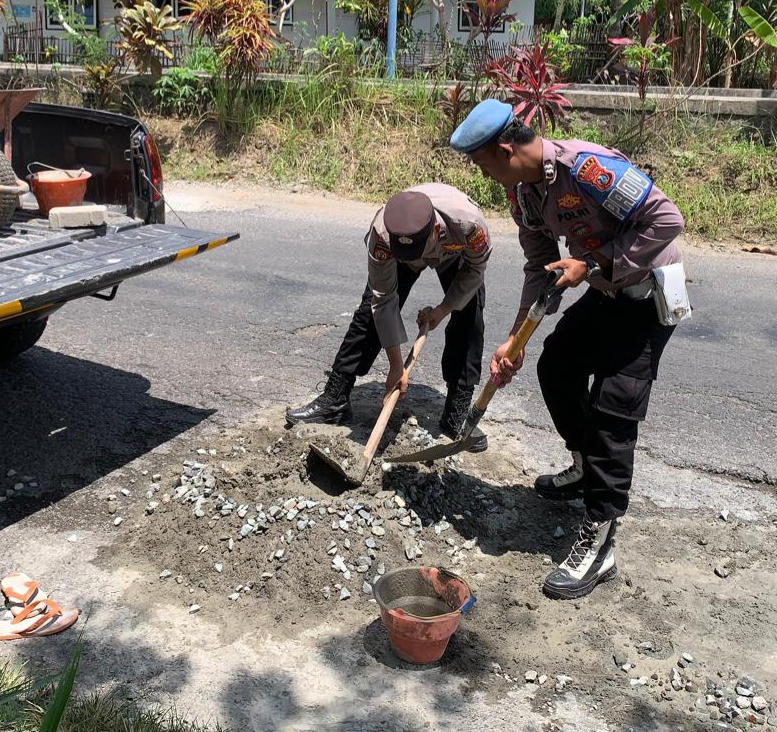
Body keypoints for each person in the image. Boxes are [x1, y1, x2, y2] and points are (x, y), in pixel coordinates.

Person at [449, 99, 689, 600]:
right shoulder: (525, 195)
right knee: (556, 365)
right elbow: (540, 269)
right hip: (603, 290)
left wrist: (594, 261)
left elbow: (667, 220)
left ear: (506, 148)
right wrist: (513, 341)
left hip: (646, 296)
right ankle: (585, 468)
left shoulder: (589, 169)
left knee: (613, 410)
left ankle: (601, 540)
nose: (483, 173)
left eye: (482, 163)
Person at [286, 184, 491, 449]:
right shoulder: (382, 233)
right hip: (401, 255)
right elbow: (383, 300)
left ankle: (457, 414)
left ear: (436, 231)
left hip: (454, 253)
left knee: (470, 316)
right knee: (368, 313)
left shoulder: (468, 225)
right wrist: (396, 365)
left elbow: (475, 270)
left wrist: (443, 309)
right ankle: (334, 399)